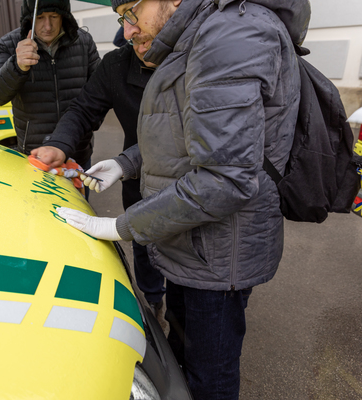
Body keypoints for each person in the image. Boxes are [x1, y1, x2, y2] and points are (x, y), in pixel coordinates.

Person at [55, 0, 311, 399]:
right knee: (179, 362)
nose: (126, 31)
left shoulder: (230, 36)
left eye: (130, 12)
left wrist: (122, 226)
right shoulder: (203, 34)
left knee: (209, 378)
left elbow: (223, 178)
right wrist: (125, 164)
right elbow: (188, 136)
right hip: (192, 243)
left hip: (218, 251)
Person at [30, 40, 165, 315]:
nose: (129, 31)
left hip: (190, 190)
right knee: (144, 249)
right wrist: (59, 144)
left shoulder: (197, 59)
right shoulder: (117, 64)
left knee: (189, 289)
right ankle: (153, 305)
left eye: (136, 14)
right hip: (139, 185)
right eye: (124, 19)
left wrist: (125, 162)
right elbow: (83, 109)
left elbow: (178, 134)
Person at [0, 0, 100, 171]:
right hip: (36, 156)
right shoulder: (10, 44)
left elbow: (99, 93)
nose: (48, 26)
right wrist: (16, 66)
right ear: (29, 18)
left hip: (77, 152)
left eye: (54, 16)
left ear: (64, 16)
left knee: (80, 198)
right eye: (40, 17)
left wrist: (88, 128)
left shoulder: (83, 42)